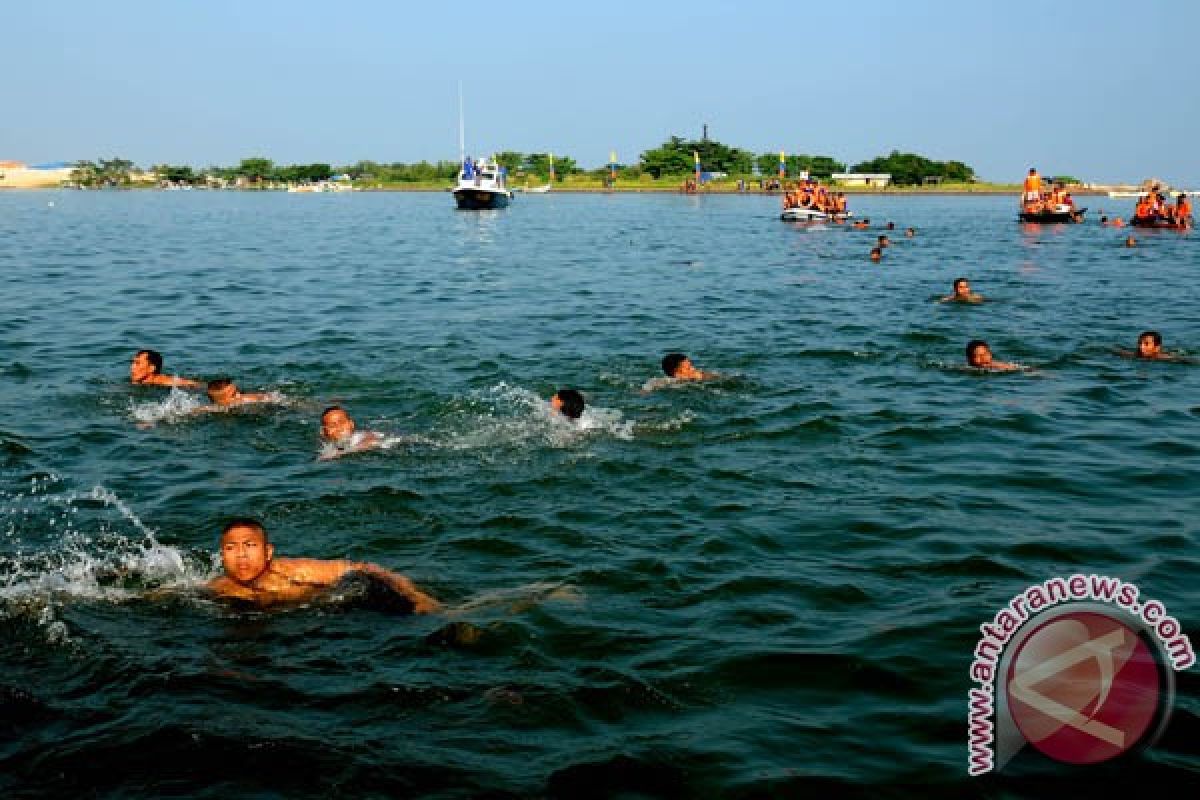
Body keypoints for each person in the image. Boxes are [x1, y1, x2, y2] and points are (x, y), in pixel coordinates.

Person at [207, 518, 439, 611]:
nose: (241, 555)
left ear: (268, 552)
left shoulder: (297, 571)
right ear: (222, 556)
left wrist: (416, 596)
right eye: (230, 548)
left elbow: (364, 568)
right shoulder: (218, 589)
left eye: (249, 545)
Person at [130, 349, 201, 388]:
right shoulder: (138, 382)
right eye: (133, 363)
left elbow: (197, 385)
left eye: (137, 363)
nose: (132, 367)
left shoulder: (167, 382)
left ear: (151, 368)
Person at [204, 377, 277, 408]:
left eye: (237, 391)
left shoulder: (248, 400)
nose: (239, 395)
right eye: (234, 395)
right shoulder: (216, 408)